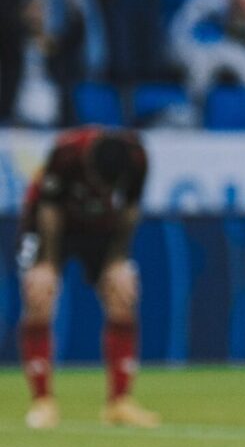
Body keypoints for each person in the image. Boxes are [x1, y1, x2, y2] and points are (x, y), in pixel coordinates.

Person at [17, 126, 159, 430]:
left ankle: (119, 403)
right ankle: (42, 402)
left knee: (123, 293)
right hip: (50, 225)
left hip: (100, 229)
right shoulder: (67, 152)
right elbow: (49, 209)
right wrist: (47, 263)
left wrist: (117, 260)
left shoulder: (136, 158)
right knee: (40, 296)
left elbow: (130, 210)